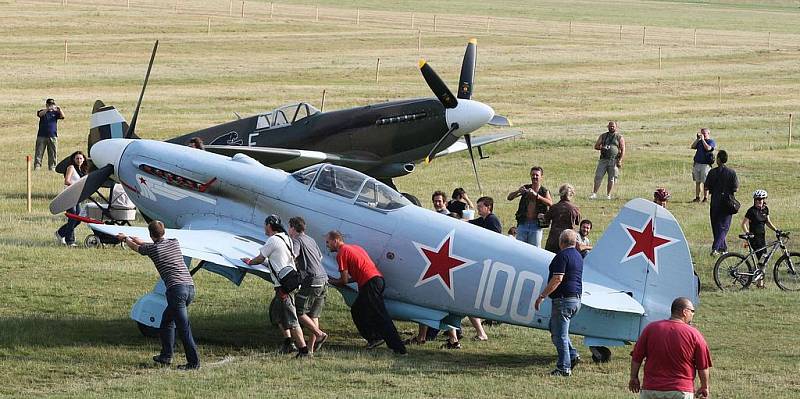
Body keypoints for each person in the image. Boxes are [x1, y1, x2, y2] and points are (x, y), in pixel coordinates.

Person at [117, 221, 200, 370]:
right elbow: (148, 244)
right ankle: (166, 356)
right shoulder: (174, 243)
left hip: (176, 291)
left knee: (183, 328)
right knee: (167, 321)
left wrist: (125, 239)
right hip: (190, 288)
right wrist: (132, 237)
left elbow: (137, 248)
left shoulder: (153, 250)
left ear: (151, 234)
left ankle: (193, 363)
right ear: (163, 232)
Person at [325, 230, 407, 355]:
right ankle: (374, 338)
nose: (327, 245)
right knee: (358, 310)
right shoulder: (355, 248)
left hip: (370, 283)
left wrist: (329, 280)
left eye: (328, 242)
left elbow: (344, 280)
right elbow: (362, 269)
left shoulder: (341, 253)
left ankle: (399, 348)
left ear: (335, 240)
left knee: (380, 315)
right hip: (377, 280)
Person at [241, 215, 312, 358]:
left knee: (292, 320)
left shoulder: (272, 240)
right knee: (277, 314)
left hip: (283, 287)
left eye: (265, 224)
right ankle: (287, 343)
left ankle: (303, 350)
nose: (264, 227)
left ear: (270, 225)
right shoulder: (287, 238)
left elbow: (260, 258)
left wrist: (250, 262)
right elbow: (277, 260)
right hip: (288, 282)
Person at [629, 297, 712, 399]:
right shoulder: (694, 334)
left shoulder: (650, 329)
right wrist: (704, 387)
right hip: (680, 390)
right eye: (692, 311)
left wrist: (634, 377)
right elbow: (703, 366)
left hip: (651, 389)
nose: (693, 314)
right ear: (685, 312)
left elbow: (637, 357)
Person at [534, 229, 583, 376]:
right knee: (555, 329)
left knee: (560, 335)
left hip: (563, 300)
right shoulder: (578, 256)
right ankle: (572, 354)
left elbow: (557, 278)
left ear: (561, 242)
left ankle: (564, 368)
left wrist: (542, 295)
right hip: (576, 299)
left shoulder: (561, 256)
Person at [287, 217, 329, 352]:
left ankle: (319, 334)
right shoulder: (310, 239)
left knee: (298, 311)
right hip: (324, 279)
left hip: (312, 280)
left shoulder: (296, 240)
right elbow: (320, 257)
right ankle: (310, 350)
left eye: (289, 227)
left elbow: (293, 255)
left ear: (293, 228)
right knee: (313, 315)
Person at [507, 166, 553, 247]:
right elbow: (509, 198)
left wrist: (537, 196)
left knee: (535, 250)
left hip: (536, 226)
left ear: (541, 177)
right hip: (523, 223)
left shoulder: (544, 191)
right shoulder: (526, 188)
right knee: (519, 248)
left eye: (537, 175)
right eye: (533, 175)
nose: (534, 177)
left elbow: (550, 203)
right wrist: (518, 191)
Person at [704, 150, 738, 256]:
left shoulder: (712, 172)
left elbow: (706, 187)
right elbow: (735, 188)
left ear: (718, 159)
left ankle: (720, 248)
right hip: (728, 204)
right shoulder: (732, 173)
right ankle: (717, 248)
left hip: (715, 203)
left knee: (716, 227)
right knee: (724, 227)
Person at [742, 190, 779, 288]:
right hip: (754, 239)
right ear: (754, 200)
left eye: (761, 199)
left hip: (762, 238)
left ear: (764, 200)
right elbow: (743, 224)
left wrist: (776, 230)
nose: (759, 201)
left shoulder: (765, 209)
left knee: (763, 260)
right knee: (763, 260)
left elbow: (768, 222)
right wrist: (748, 233)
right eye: (757, 199)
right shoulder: (751, 211)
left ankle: (757, 281)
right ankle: (758, 283)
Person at [54, 151, 87, 246]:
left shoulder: (82, 170)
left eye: (81, 158)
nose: (79, 160)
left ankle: (60, 233)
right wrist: (77, 185)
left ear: (84, 159)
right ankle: (70, 241)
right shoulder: (71, 167)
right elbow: (67, 181)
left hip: (77, 196)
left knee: (78, 219)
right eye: (77, 158)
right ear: (73, 159)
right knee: (73, 217)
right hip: (69, 195)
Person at [590, 121, 625, 200]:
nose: (611, 127)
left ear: (616, 127)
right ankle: (594, 193)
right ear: (608, 127)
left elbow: (623, 149)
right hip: (603, 160)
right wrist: (602, 147)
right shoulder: (603, 136)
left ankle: (608, 195)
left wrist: (620, 160)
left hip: (614, 160)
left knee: (611, 178)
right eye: (610, 126)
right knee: (598, 176)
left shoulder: (619, 137)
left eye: (613, 126)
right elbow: (596, 146)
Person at [543, 184, 581, 254]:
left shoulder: (554, 207)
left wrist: (542, 216)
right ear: (571, 195)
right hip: (568, 240)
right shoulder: (575, 209)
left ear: (560, 194)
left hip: (553, 239)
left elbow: (546, 220)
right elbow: (577, 222)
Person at [34, 98, 65, 171]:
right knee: (39, 152)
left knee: (53, 152)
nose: (51, 106)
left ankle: (52, 167)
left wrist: (59, 109)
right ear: (46, 105)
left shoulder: (56, 113)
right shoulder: (42, 111)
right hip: (41, 136)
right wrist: (47, 109)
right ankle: (37, 166)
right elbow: (40, 114)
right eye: (49, 104)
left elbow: (63, 116)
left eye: (52, 104)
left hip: (53, 136)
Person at [690, 128, 715, 203]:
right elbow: (693, 146)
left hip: (705, 165)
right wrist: (697, 139)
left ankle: (705, 198)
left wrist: (703, 140)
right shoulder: (699, 142)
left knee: (705, 182)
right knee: (697, 181)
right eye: (702, 133)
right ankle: (697, 197)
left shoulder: (711, 141)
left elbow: (708, 148)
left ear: (708, 133)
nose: (703, 135)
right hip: (697, 163)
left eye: (704, 133)